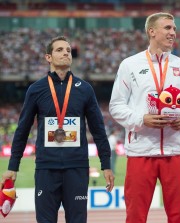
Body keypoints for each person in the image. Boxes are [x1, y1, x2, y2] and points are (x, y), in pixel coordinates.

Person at [0, 36, 115, 223]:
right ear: (48, 57)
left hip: (77, 168)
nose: (66, 53)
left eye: (68, 50)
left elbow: (98, 130)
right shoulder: (36, 89)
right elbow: (22, 130)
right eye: (60, 50)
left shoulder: (84, 89)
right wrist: (13, 167)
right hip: (46, 168)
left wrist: (106, 164)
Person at [109, 12, 180, 223]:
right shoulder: (129, 65)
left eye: (174, 29)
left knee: (179, 215)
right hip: (141, 152)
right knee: (135, 216)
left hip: (174, 151)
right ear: (152, 31)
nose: (173, 33)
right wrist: (142, 119)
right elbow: (116, 105)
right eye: (168, 28)